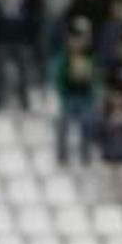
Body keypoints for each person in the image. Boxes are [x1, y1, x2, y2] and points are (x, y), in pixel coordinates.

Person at [51, 18, 98, 166]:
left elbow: (95, 77)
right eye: (76, 39)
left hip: (85, 97)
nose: (79, 42)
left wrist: (94, 91)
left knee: (87, 125)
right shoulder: (65, 56)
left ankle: (85, 155)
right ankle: (62, 156)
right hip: (69, 96)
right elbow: (57, 74)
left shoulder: (90, 56)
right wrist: (62, 90)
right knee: (63, 126)